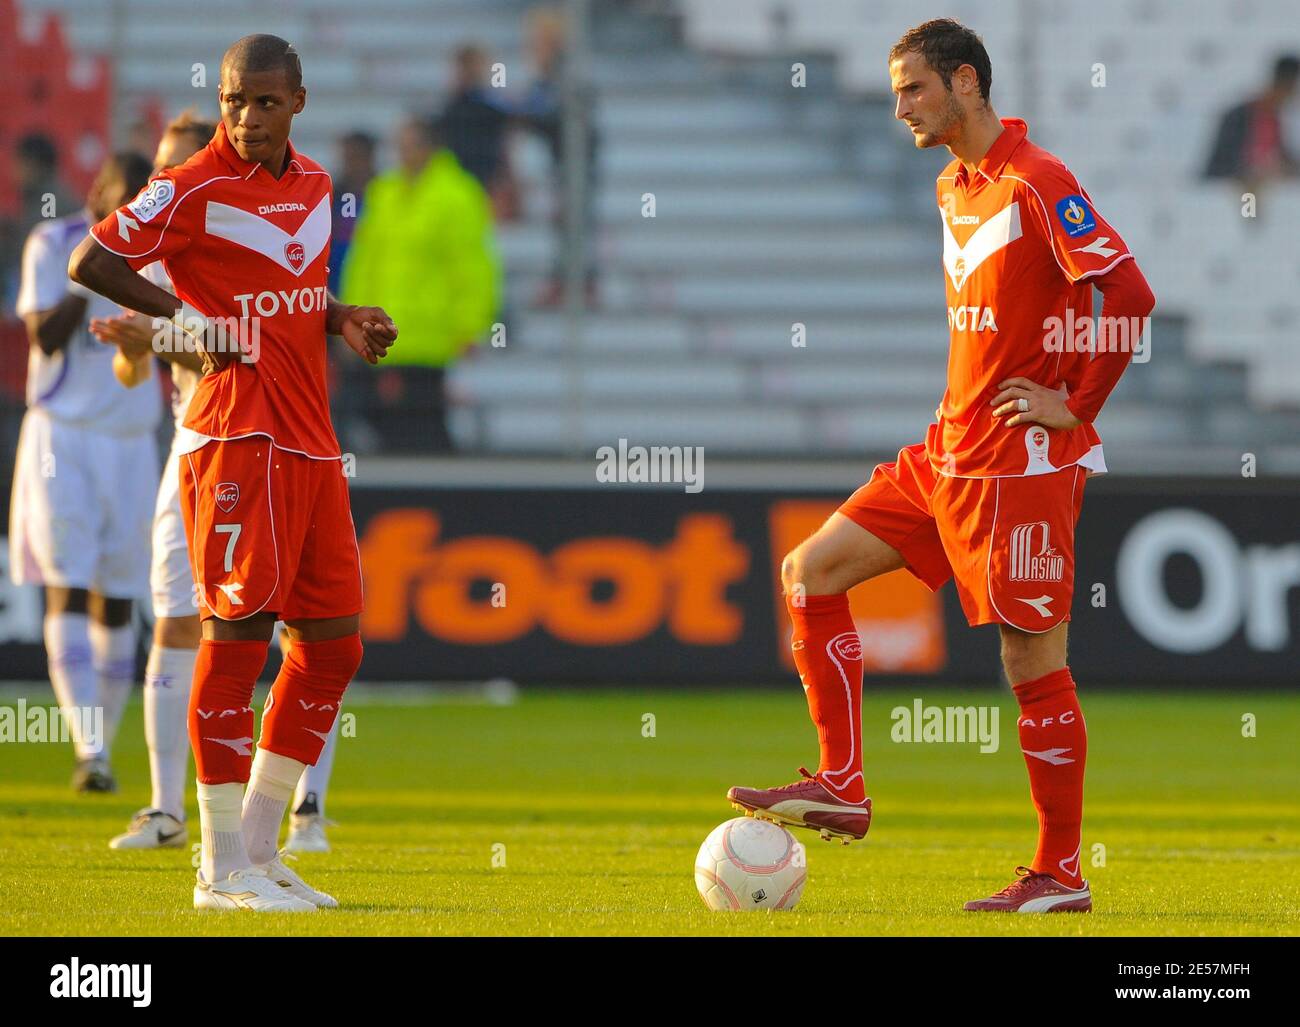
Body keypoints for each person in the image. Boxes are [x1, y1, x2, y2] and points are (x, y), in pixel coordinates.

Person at [727, 19, 1156, 914]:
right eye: (895, 92)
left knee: (1029, 659)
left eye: (913, 89)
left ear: (965, 83)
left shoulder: (1040, 183)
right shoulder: (953, 185)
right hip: (946, 454)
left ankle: (1059, 872)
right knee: (809, 571)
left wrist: (1074, 402)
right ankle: (843, 778)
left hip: (1020, 467)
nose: (900, 107)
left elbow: (1130, 291)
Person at [69, 34, 397, 911]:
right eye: (231, 101)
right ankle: (218, 867)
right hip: (235, 438)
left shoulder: (317, 187)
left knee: (333, 645)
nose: (245, 117)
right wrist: (184, 318)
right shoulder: (189, 185)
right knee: (236, 636)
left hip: (312, 442)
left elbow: (283, 290)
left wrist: (339, 319)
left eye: (262, 101)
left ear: (299, 101)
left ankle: (259, 845)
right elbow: (91, 261)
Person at [9, 151, 158, 793]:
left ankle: (106, 745)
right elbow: (43, 338)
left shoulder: (162, 251)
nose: (132, 209)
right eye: (124, 196)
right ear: (98, 193)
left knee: (120, 595)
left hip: (130, 440)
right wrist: (87, 276)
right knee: (67, 582)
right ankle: (88, 748)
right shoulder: (53, 241)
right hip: (62, 439)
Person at [339, 116, 498, 453]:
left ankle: (435, 492)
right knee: (387, 422)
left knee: (422, 423)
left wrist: (470, 324)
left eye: (409, 145)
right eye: (400, 145)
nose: (402, 152)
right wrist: (350, 317)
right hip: (383, 333)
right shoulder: (385, 192)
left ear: (429, 147)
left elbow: (473, 266)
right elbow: (365, 260)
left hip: (429, 336)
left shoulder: (457, 194)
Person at [1204, 54, 1299, 185]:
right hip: (1225, 196)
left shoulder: (1274, 120)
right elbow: (1220, 166)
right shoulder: (1237, 117)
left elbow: (1285, 161)